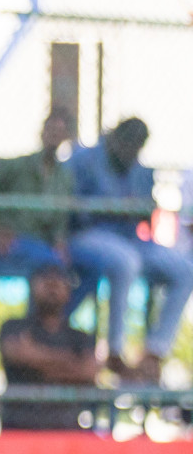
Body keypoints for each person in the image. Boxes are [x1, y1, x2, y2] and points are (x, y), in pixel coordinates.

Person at [66, 118, 193, 385]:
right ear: (114, 138)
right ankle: (115, 350)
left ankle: (155, 352)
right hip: (88, 236)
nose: (130, 151)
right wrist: (112, 207)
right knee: (125, 262)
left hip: (129, 239)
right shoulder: (84, 159)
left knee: (184, 269)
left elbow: (146, 212)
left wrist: (137, 207)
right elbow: (70, 209)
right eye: (127, 143)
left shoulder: (141, 170)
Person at [0, 107, 75, 281]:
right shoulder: (17, 166)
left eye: (59, 132)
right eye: (50, 130)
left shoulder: (64, 176)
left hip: (43, 243)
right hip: (15, 241)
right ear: (42, 132)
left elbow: (60, 218)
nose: (53, 136)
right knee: (51, 267)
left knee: (69, 269)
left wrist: (60, 241)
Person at [0, 263, 101, 431]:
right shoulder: (13, 327)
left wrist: (36, 357)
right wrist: (71, 364)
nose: (52, 288)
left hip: (67, 434)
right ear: (32, 287)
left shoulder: (81, 337)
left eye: (58, 283)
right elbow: (17, 354)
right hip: (18, 431)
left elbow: (89, 371)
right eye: (46, 282)